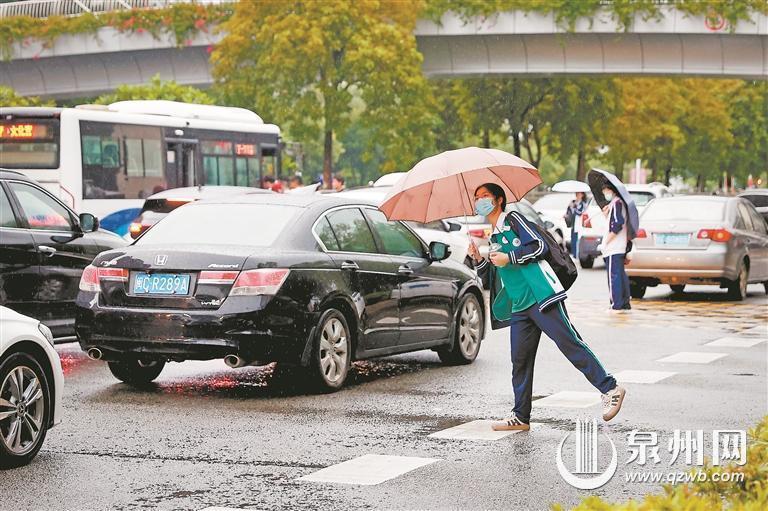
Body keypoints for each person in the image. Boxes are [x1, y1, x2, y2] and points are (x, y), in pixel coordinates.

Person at [467, 182, 625, 431]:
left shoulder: (514, 220)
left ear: (499, 200)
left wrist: (510, 257)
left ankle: (611, 388)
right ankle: (521, 416)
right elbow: (493, 276)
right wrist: (479, 259)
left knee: (569, 343)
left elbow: (538, 246)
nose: (480, 201)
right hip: (519, 306)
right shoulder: (494, 235)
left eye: (484, 196)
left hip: (541, 296)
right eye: (477, 197)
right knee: (520, 360)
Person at [599, 184, 631, 311]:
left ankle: (616, 304)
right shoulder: (616, 204)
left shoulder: (617, 204)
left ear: (611, 190)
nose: (604, 192)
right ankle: (624, 302)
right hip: (618, 246)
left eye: (605, 190)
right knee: (620, 275)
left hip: (614, 247)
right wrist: (606, 214)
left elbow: (617, 224)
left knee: (614, 277)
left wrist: (606, 242)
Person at [565, 192, 588, 258]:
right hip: (573, 223)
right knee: (573, 239)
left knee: (577, 239)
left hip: (579, 224)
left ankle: (577, 255)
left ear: (582, 195)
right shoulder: (573, 202)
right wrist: (570, 207)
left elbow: (580, 213)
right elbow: (568, 211)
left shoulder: (583, 204)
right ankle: (574, 254)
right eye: (577, 193)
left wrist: (574, 207)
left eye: (579, 194)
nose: (577, 195)